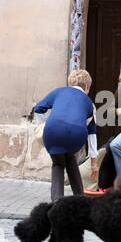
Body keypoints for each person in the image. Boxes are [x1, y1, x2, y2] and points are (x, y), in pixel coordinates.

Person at [34, 69, 98, 201]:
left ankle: (57, 202)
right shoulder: (89, 103)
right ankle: (81, 200)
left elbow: (38, 108)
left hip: (52, 134)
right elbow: (92, 134)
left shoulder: (59, 91)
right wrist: (94, 164)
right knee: (70, 157)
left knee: (58, 164)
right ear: (87, 86)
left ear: (70, 83)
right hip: (75, 137)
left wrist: (46, 124)